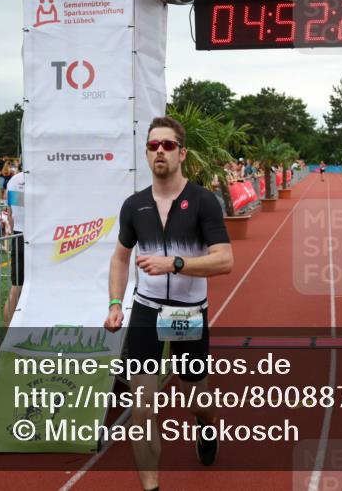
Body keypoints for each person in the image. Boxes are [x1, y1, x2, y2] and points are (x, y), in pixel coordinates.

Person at [104, 116, 234, 491]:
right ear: (146, 153)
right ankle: (151, 487)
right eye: (152, 145)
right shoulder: (135, 206)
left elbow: (225, 260)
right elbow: (119, 258)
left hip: (186, 313)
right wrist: (115, 303)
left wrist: (176, 263)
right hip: (145, 310)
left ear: (182, 152)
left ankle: (205, 421)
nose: (159, 151)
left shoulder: (202, 201)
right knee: (142, 407)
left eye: (167, 145)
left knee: (195, 392)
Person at [3, 167, 26, 326]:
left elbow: (10, 214)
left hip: (18, 234)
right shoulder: (42, 179)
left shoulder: (14, 180)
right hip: (37, 236)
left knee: (16, 287)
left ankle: (8, 331)